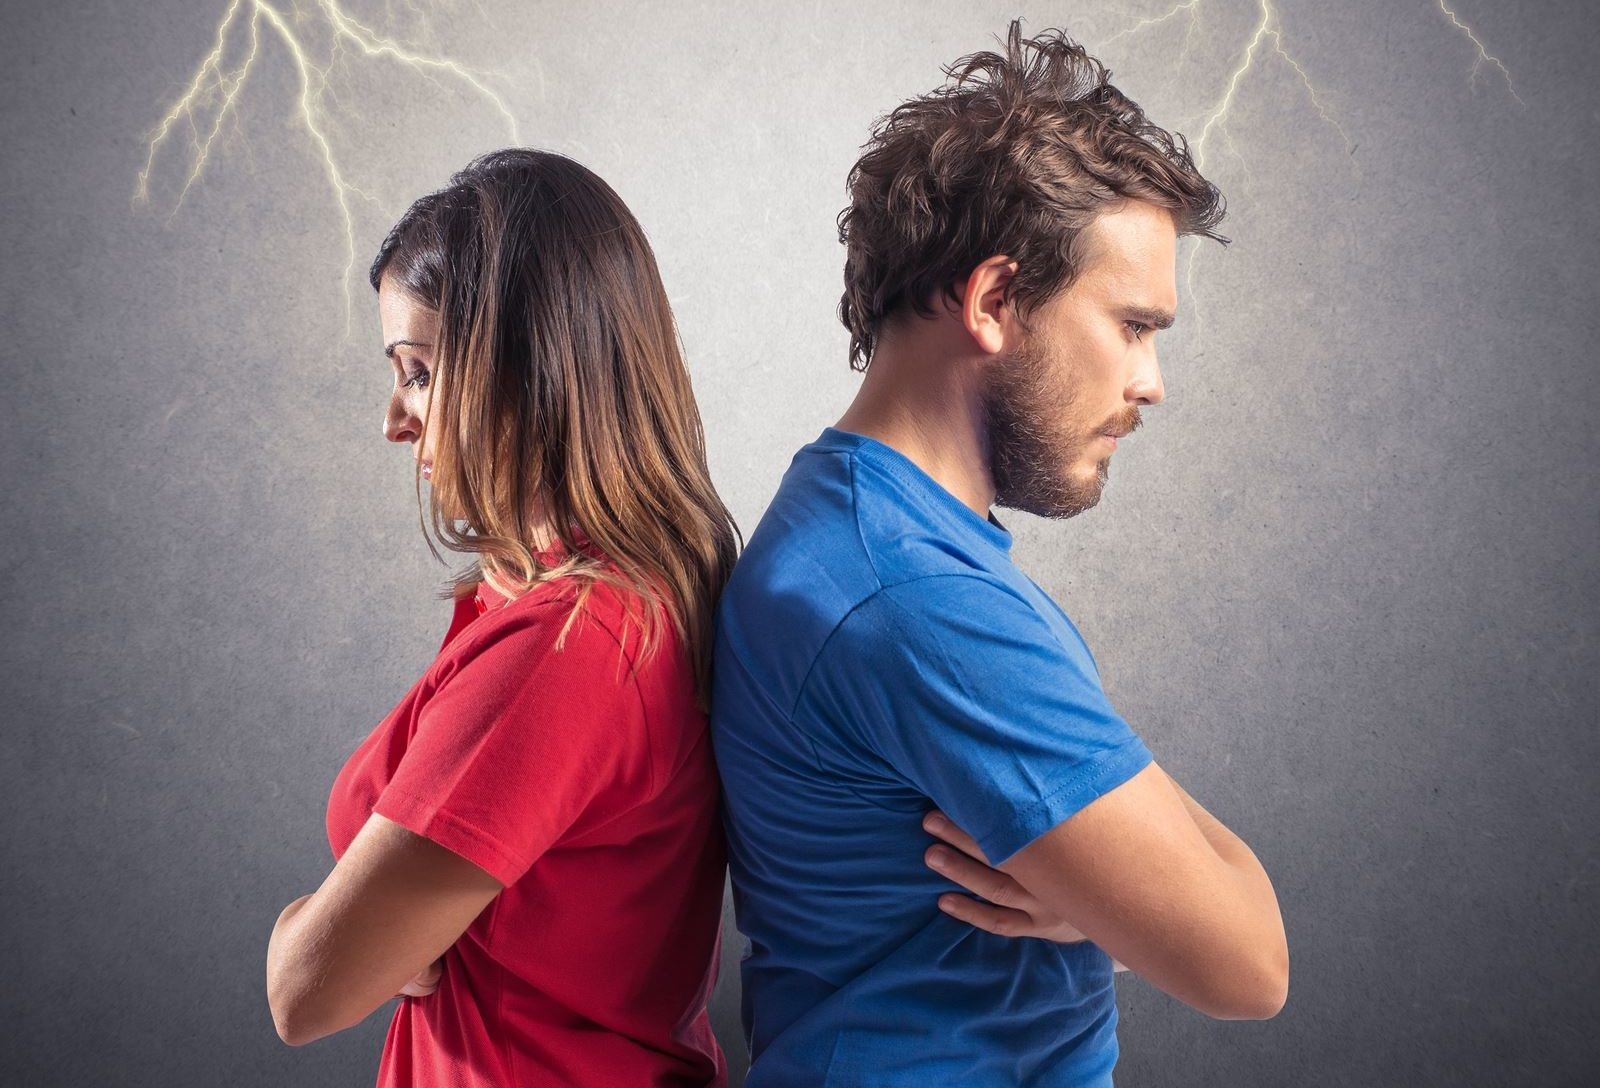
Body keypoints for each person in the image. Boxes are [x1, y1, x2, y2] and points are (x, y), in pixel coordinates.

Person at [709, 22, 1288, 1086]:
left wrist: (1098, 893)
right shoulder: (917, 600)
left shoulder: (847, 524)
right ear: (991, 302)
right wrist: (1118, 895)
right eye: (1130, 324)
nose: (1151, 380)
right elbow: (1248, 958)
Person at [265, 149, 739, 1087]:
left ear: (530, 367)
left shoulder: (569, 649)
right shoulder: (572, 599)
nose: (396, 420)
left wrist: (305, 926)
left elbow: (306, 994)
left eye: (420, 372)